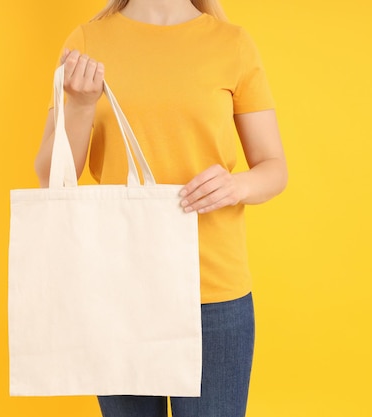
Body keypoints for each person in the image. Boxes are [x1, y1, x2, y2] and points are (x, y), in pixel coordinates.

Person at [34, 0, 287, 416]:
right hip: (117, 292)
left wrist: (235, 185)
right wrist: (79, 106)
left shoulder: (232, 44)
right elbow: (51, 176)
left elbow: (274, 168)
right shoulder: (87, 41)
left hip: (214, 293)